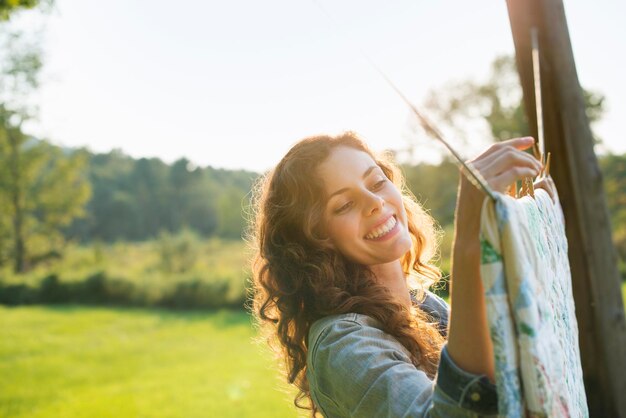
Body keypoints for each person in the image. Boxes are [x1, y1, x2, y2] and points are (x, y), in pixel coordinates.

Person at [248, 131, 555, 417]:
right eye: (344, 205)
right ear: (315, 240)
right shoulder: (339, 345)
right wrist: (471, 240)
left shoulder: (425, 306)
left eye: (377, 182)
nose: (375, 202)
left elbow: (510, 370)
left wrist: (522, 237)